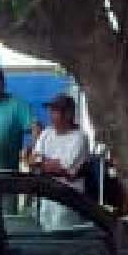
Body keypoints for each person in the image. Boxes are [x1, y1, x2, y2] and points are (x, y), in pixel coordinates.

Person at [30, 94, 90, 228]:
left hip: (67, 196)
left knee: (63, 231)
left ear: (68, 114)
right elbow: (34, 160)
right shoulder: (47, 133)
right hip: (47, 194)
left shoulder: (79, 138)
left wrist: (44, 163)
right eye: (51, 111)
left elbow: (65, 168)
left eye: (55, 111)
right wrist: (48, 163)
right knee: (45, 229)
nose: (51, 115)